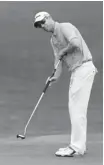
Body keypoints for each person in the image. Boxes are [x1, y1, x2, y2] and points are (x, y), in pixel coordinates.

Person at [34, 11, 97, 157]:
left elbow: (75, 44)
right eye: (39, 25)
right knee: (76, 109)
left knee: (76, 109)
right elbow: (58, 60)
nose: (42, 26)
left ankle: (76, 147)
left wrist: (63, 51)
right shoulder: (53, 40)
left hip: (84, 67)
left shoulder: (64, 27)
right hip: (77, 72)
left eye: (43, 22)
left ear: (49, 18)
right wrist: (54, 76)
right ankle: (80, 145)